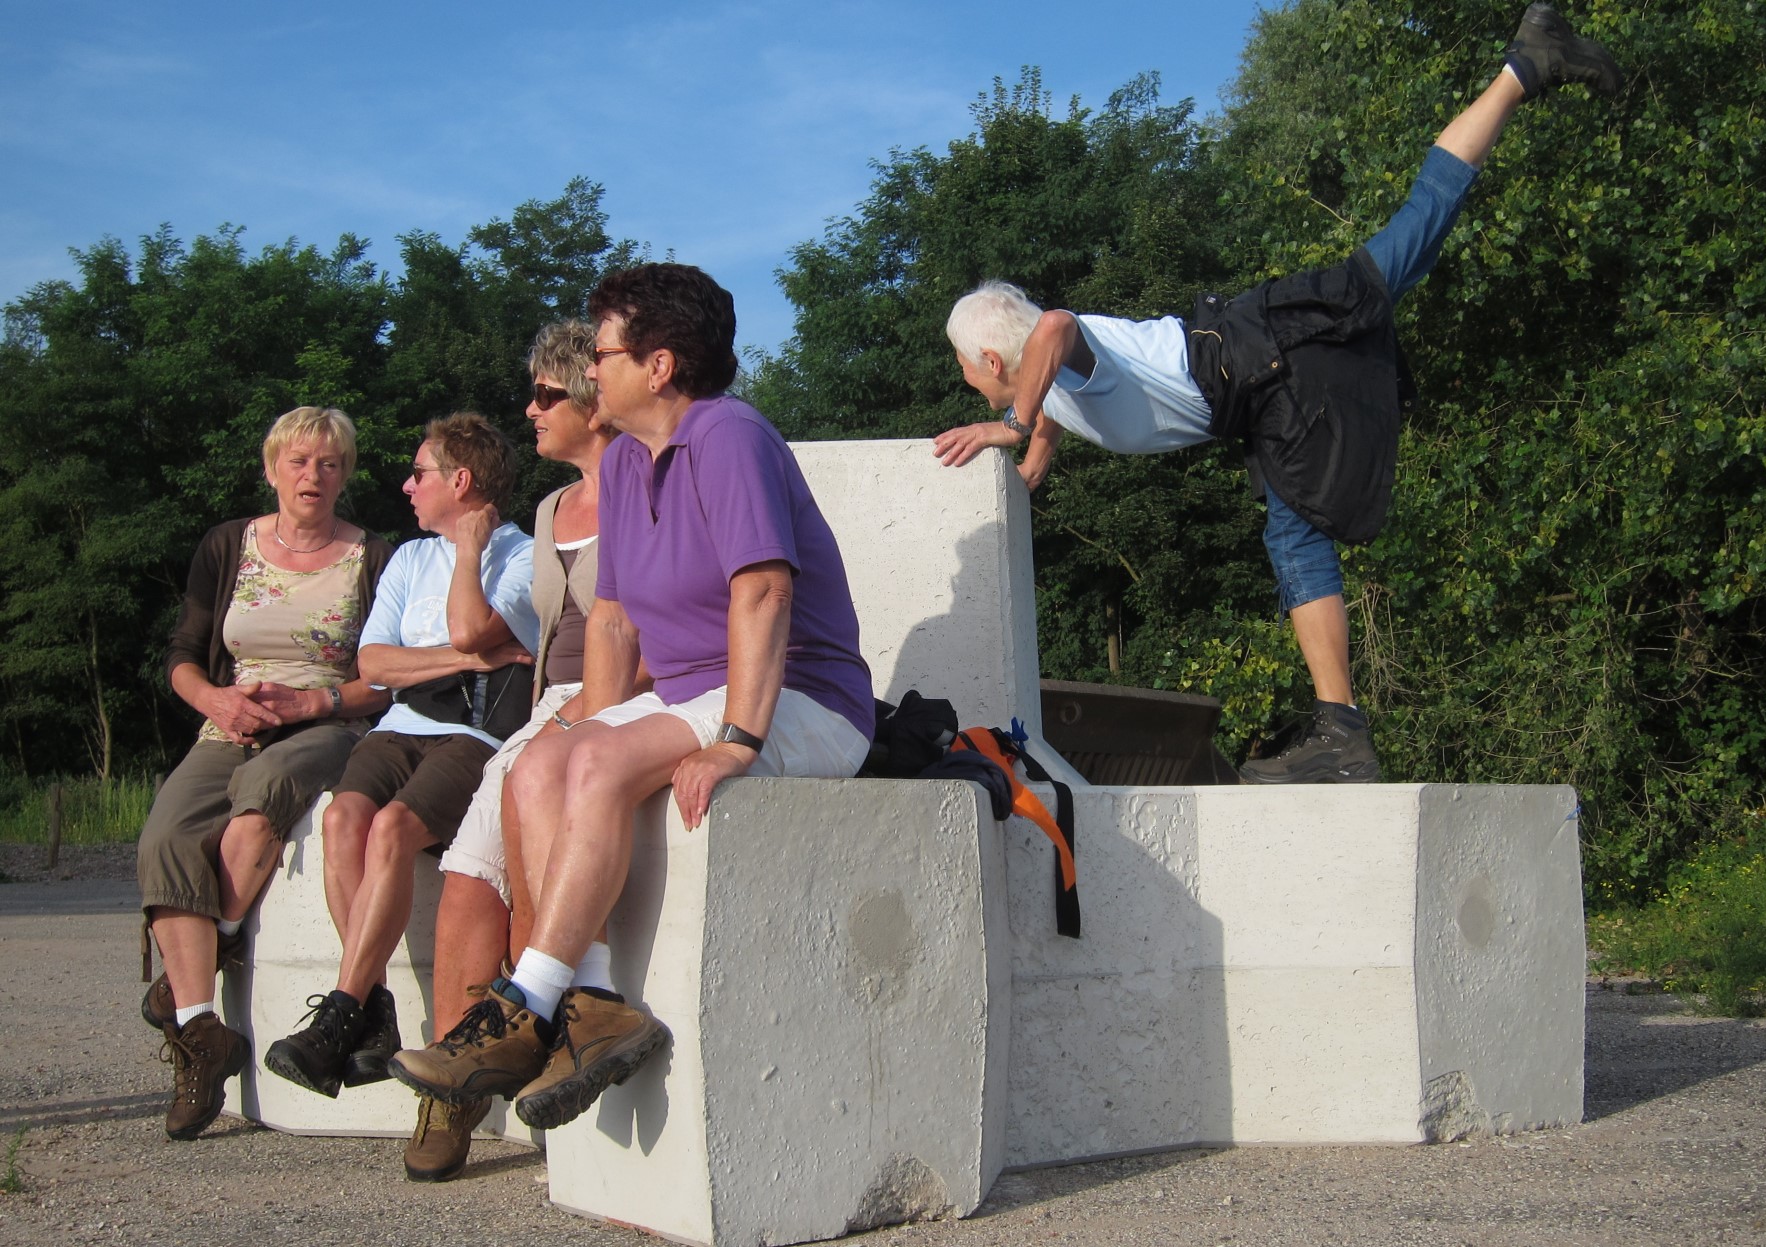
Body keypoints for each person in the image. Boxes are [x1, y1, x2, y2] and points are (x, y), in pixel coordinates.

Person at [933, 3, 1621, 784]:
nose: (968, 385)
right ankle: (1524, 66)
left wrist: (1012, 426)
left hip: (1270, 359)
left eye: (967, 369)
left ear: (993, 358)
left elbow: (1054, 328)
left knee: (1296, 530)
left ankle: (1341, 736)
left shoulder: (1064, 350)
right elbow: (1054, 386)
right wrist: (1029, 468)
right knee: (1413, 235)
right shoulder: (1059, 383)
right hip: (1260, 368)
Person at [388, 263, 874, 1132]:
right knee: (541, 768)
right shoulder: (629, 467)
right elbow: (613, 628)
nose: (590, 372)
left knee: (594, 762)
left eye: (604, 351)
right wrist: (590, 728)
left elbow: (763, 593)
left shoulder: (728, 435)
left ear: (658, 366)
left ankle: (527, 999)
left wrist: (736, 739)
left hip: (801, 700)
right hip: (695, 697)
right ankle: (598, 999)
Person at [263, 413, 540, 1098]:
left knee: (391, 829)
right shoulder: (412, 558)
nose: (406, 485)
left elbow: (471, 626)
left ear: (461, 481)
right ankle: (372, 1010)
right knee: (342, 822)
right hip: (398, 726)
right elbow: (376, 663)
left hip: (473, 735)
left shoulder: (528, 556)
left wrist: (471, 559)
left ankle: (340, 1014)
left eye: (419, 472)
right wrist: (465, 660)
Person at [137, 406, 395, 1141]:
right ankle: (200, 1033)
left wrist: (314, 700)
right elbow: (183, 654)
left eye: (330, 463)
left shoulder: (373, 555)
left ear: (346, 474)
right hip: (227, 720)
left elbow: (385, 681)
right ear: (271, 466)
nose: (313, 475)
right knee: (166, 836)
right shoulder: (226, 546)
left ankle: (203, 950)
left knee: (261, 802)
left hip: (325, 724)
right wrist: (218, 698)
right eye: (299, 461)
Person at [402, 321, 617, 1181]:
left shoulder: (647, 487)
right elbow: (541, 635)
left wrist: (584, 721)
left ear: (593, 402)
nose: (529, 409)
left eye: (545, 394)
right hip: (544, 709)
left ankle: (547, 1045)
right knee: (466, 876)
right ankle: (455, 1085)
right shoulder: (548, 510)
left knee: (532, 855)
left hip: (614, 701)